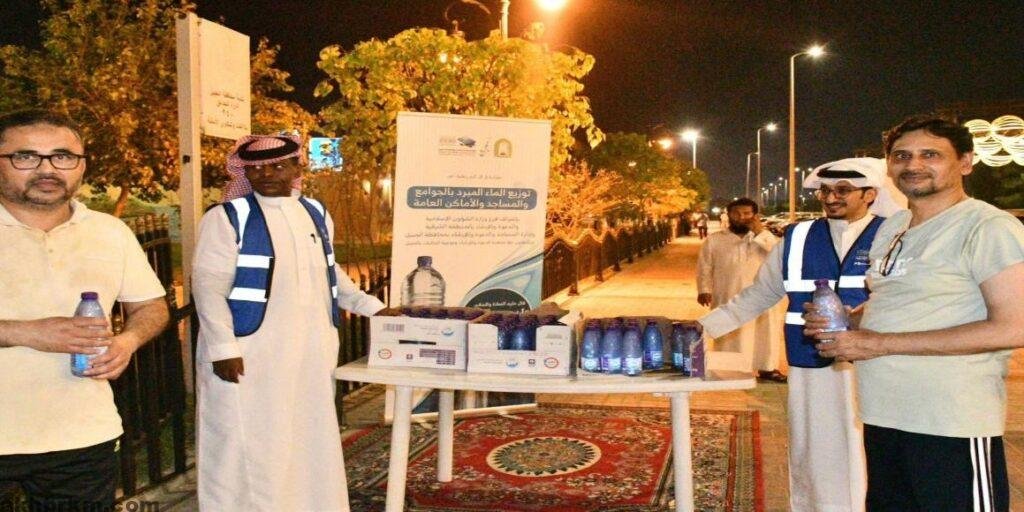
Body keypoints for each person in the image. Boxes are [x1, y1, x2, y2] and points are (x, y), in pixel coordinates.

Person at [809, 115, 1024, 511]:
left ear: (965, 162)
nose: (913, 165)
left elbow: (1014, 327)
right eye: (901, 156)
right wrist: (849, 322)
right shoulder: (895, 226)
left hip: (951, 422)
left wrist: (878, 344)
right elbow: (901, 299)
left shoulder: (987, 226)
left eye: (931, 155)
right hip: (884, 415)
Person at [193, 134, 386, 511]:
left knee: (306, 439)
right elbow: (208, 286)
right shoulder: (228, 217)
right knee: (247, 444)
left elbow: (329, 273)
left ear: (298, 167)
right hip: (249, 356)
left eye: (278, 166)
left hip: (309, 354)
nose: (266, 174)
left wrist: (373, 308)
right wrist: (222, 348)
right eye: (256, 169)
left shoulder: (315, 212)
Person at [700, 157, 905, 512]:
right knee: (816, 448)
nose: (830, 197)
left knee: (873, 449)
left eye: (843, 190)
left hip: (874, 364)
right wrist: (703, 328)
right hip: (811, 363)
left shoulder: (894, 236)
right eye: (825, 190)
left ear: (870, 194)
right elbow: (759, 294)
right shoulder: (797, 238)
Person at [0, 110, 169, 510]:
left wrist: (127, 342)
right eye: (26, 156)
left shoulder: (110, 232)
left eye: (63, 156)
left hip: (82, 435)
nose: (47, 169)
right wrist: (22, 332)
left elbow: (152, 306)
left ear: (82, 165)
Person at [696, 197, 786, 381]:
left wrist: (759, 232)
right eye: (736, 213)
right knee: (730, 331)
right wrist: (704, 289)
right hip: (727, 292)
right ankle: (729, 368)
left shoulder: (765, 238)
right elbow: (704, 266)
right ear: (728, 215)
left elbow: (780, 255)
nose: (741, 217)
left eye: (746, 213)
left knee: (764, 332)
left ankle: (767, 368)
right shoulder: (715, 240)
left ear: (755, 215)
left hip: (762, 295)